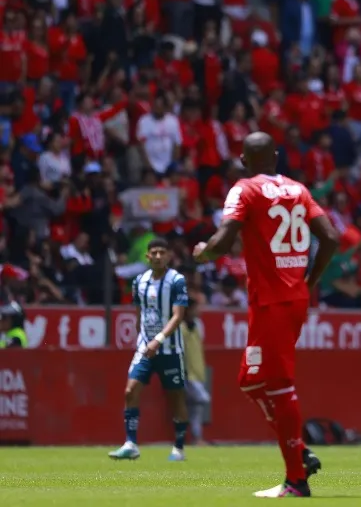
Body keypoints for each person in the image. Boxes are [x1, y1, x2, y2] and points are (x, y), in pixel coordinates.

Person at [192, 131, 340, 498]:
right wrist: (310, 278)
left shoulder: (244, 189)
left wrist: (203, 253)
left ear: (244, 161)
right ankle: (300, 451)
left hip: (272, 300)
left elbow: (224, 241)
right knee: (249, 378)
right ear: (275, 156)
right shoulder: (298, 189)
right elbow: (332, 238)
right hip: (292, 298)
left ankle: (296, 480)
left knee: (279, 385)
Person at [109, 238, 191, 462]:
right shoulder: (139, 282)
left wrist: (159, 339)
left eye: (161, 252)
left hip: (170, 350)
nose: (157, 256)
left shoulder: (176, 281)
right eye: (153, 252)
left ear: (168, 256)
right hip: (145, 348)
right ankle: (131, 444)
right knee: (130, 391)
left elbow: (178, 315)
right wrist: (143, 338)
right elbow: (139, 313)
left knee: (175, 398)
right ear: (147, 256)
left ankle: (179, 447)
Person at [181, 298, 210, 446]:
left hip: (198, 373)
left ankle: (196, 438)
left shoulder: (198, 326)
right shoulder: (180, 328)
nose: (198, 311)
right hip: (186, 374)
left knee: (194, 410)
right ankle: (195, 438)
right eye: (195, 308)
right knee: (202, 399)